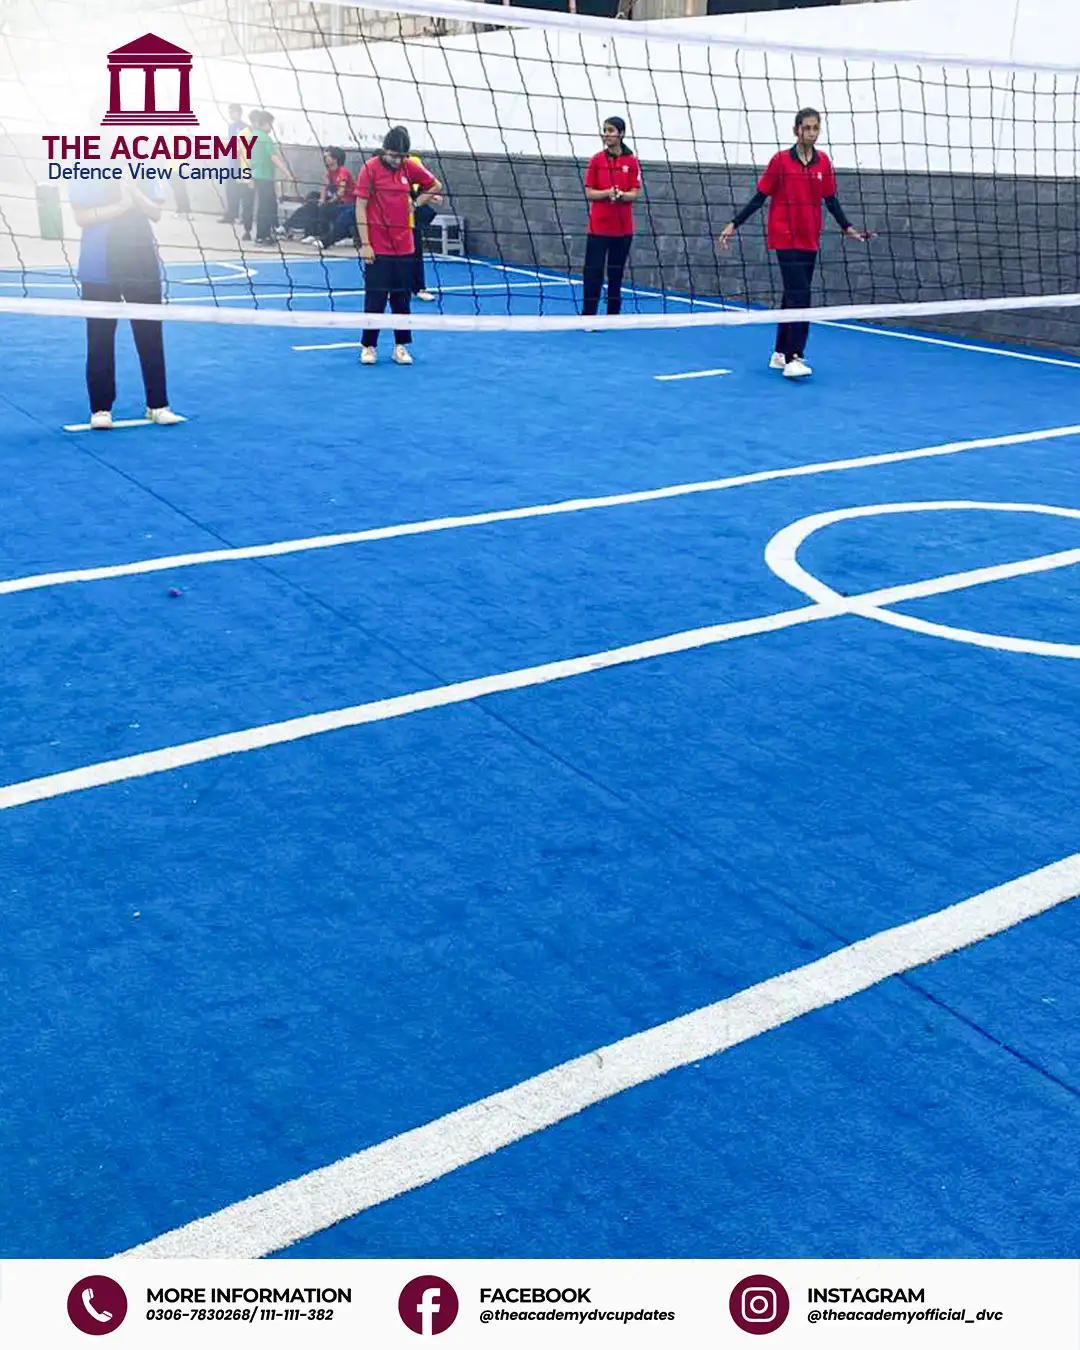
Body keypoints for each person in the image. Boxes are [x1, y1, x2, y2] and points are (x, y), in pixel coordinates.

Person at [717, 107, 871, 379]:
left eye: (815, 128)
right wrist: (733, 223)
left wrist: (847, 227)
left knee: (792, 294)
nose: (811, 133)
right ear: (796, 130)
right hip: (784, 237)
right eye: (806, 127)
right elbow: (759, 198)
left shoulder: (824, 162)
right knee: (801, 295)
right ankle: (794, 357)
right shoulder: (780, 161)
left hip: (809, 238)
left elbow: (831, 200)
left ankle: (779, 353)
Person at [69, 176, 184, 429]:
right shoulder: (85, 167)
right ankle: (101, 408)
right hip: (99, 264)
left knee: (150, 335)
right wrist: (120, 206)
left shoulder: (144, 168)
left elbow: (155, 212)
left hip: (142, 263)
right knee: (99, 337)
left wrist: (132, 190)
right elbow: (82, 217)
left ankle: (158, 405)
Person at [355, 126, 441, 366]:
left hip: (404, 246)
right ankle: (369, 346)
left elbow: (435, 185)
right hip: (378, 246)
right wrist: (365, 244)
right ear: (384, 150)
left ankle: (400, 347)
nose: (397, 160)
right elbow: (360, 206)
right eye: (393, 155)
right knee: (375, 299)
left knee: (401, 300)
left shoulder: (408, 166)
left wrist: (416, 203)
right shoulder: (370, 169)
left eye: (401, 156)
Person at [582, 115, 641, 318]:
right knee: (593, 273)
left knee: (616, 274)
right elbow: (589, 192)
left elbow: (635, 193)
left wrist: (622, 195)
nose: (606, 135)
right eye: (604, 131)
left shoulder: (631, 162)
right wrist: (607, 193)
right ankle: (588, 316)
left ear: (621, 134)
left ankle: (613, 316)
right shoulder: (596, 160)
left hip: (623, 230)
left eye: (610, 131)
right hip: (598, 229)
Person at [248, 109, 289, 245]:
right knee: (267, 206)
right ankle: (263, 236)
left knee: (262, 206)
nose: (271, 127)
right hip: (265, 176)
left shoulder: (252, 136)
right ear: (264, 123)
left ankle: (262, 235)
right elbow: (273, 157)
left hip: (256, 175)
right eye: (270, 124)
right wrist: (286, 172)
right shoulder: (265, 138)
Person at [408, 152, 443, 301]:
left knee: (416, 252)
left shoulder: (413, 162)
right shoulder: (384, 164)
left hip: (410, 219)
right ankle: (394, 286)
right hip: (391, 218)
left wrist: (429, 196)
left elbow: (425, 185)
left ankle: (419, 287)